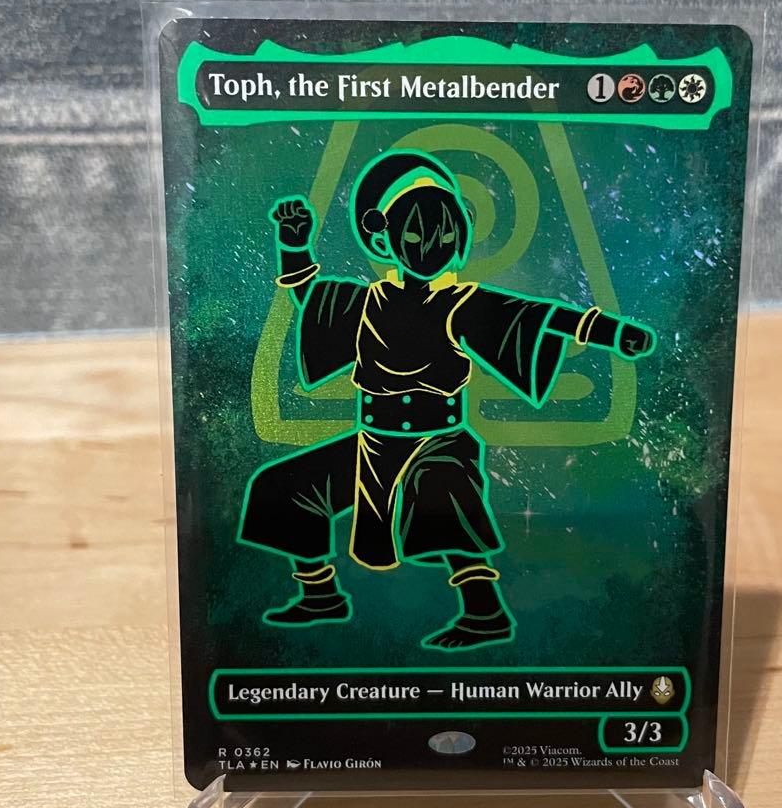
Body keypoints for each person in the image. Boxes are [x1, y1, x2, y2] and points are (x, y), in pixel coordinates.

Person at [238, 149, 655, 650]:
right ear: (383, 236)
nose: (429, 247)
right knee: (282, 486)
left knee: (444, 494)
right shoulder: (366, 300)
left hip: (438, 439)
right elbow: (313, 296)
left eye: (444, 236)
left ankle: (484, 612)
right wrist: (293, 243)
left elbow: (538, 316)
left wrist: (611, 332)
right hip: (373, 440)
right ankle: (319, 592)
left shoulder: (461, 302)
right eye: (414, 236)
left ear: (460, 237)